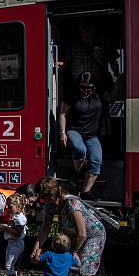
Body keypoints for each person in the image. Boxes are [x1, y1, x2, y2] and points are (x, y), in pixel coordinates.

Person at [31, 177, 106, 276]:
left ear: (51, 194)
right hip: (73, 235)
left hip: (92, 236)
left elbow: (82, 234)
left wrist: (72, 253)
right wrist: (37, 248)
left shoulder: (72, 203)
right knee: (65, 268)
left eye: (43, 196)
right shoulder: (51, 205)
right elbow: (45, 229)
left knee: (85, 272)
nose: (42, 200)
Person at [60, 72, 104, 200]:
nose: (86, 90)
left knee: (97, 160)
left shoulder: (98, 94)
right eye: (82, 87)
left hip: (92, 134)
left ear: (93, 86)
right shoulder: (71, 96)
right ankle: (76, 173)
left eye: (89, 87)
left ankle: (86, 191)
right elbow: (63, 114)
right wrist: (62, 133)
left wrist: (119, 83)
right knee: (80, 150)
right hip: (74, 130)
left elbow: (111, 98)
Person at [62, 23, 119, 97]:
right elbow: (64, 63)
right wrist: (55, 66)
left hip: (99, 86)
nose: (88, 33)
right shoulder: (73, 45)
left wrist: (118, 76)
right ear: (80, 30)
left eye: (90, 30)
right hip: (79, 87)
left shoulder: (104, 43)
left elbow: (113, 61)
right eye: (85, 30)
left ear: (94, 29)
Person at [0, 194, 28, 276]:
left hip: (16, 243)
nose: (8, 208)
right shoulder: (16, 216)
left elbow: (17, 234)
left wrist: (7, 228)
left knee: (9, 266)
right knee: (12, 266)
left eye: (10, 206)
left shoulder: (18, 218)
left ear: (18, 206)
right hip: (14, 243)